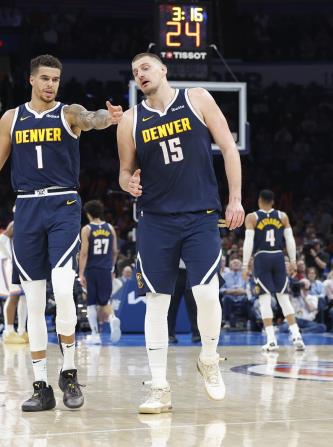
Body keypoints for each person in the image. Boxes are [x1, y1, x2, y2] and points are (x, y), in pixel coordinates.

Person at [0, 54, 122, 412]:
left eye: (56, 79)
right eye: (45, 78)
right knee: (32, 302)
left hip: (63, 205)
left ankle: (69, 373)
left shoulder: (68, 113)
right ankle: (40, 387)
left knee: (63, 288)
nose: (51, 84)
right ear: (31, 80)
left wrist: (106, 119)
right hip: (27, 208)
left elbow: (90, 118)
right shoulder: (11, 118)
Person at [117, 52, 244, 413]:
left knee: (206, 292)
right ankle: (159, 387)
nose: (140, 74)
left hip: (200, 215)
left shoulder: (197, 98)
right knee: (157, 301)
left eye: (145, 67)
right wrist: (128, 184)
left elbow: (229, 147)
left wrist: (235, 199)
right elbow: (124, 172)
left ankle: (209, 358)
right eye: (135, 71)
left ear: (163, 69)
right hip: (156, 219)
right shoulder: (130, 120)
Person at [242, 190, 305, 352]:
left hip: (262, 257)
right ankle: (297, 336)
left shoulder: (252, 217)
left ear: (259, 200)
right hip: (278, 256)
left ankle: (271, 340)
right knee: (284, 298)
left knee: (264, 299)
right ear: (273, 202)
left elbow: (248, 241)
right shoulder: (282, 216)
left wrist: (245, 264)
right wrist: (293, 261)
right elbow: (290, 239)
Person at [78, 199, 121, 344]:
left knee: (91, 303)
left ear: (88, 214)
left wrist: (81, 273)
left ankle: (95, 334)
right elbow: (115, 251)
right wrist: (112, 268)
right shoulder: (110, 228)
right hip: (106, 269)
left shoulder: (87, 229)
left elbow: (84, 253)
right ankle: (112, 318)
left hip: (91, 270)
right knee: (105, 301)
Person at [0, 224, 28, 344]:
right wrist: (11, 257)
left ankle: (21, 331)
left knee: (23, 296)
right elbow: (0, 241)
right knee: (14, 295)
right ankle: (8, 332)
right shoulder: (16, 222)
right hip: (3, 262)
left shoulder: (33, 222)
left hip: (15, 263)